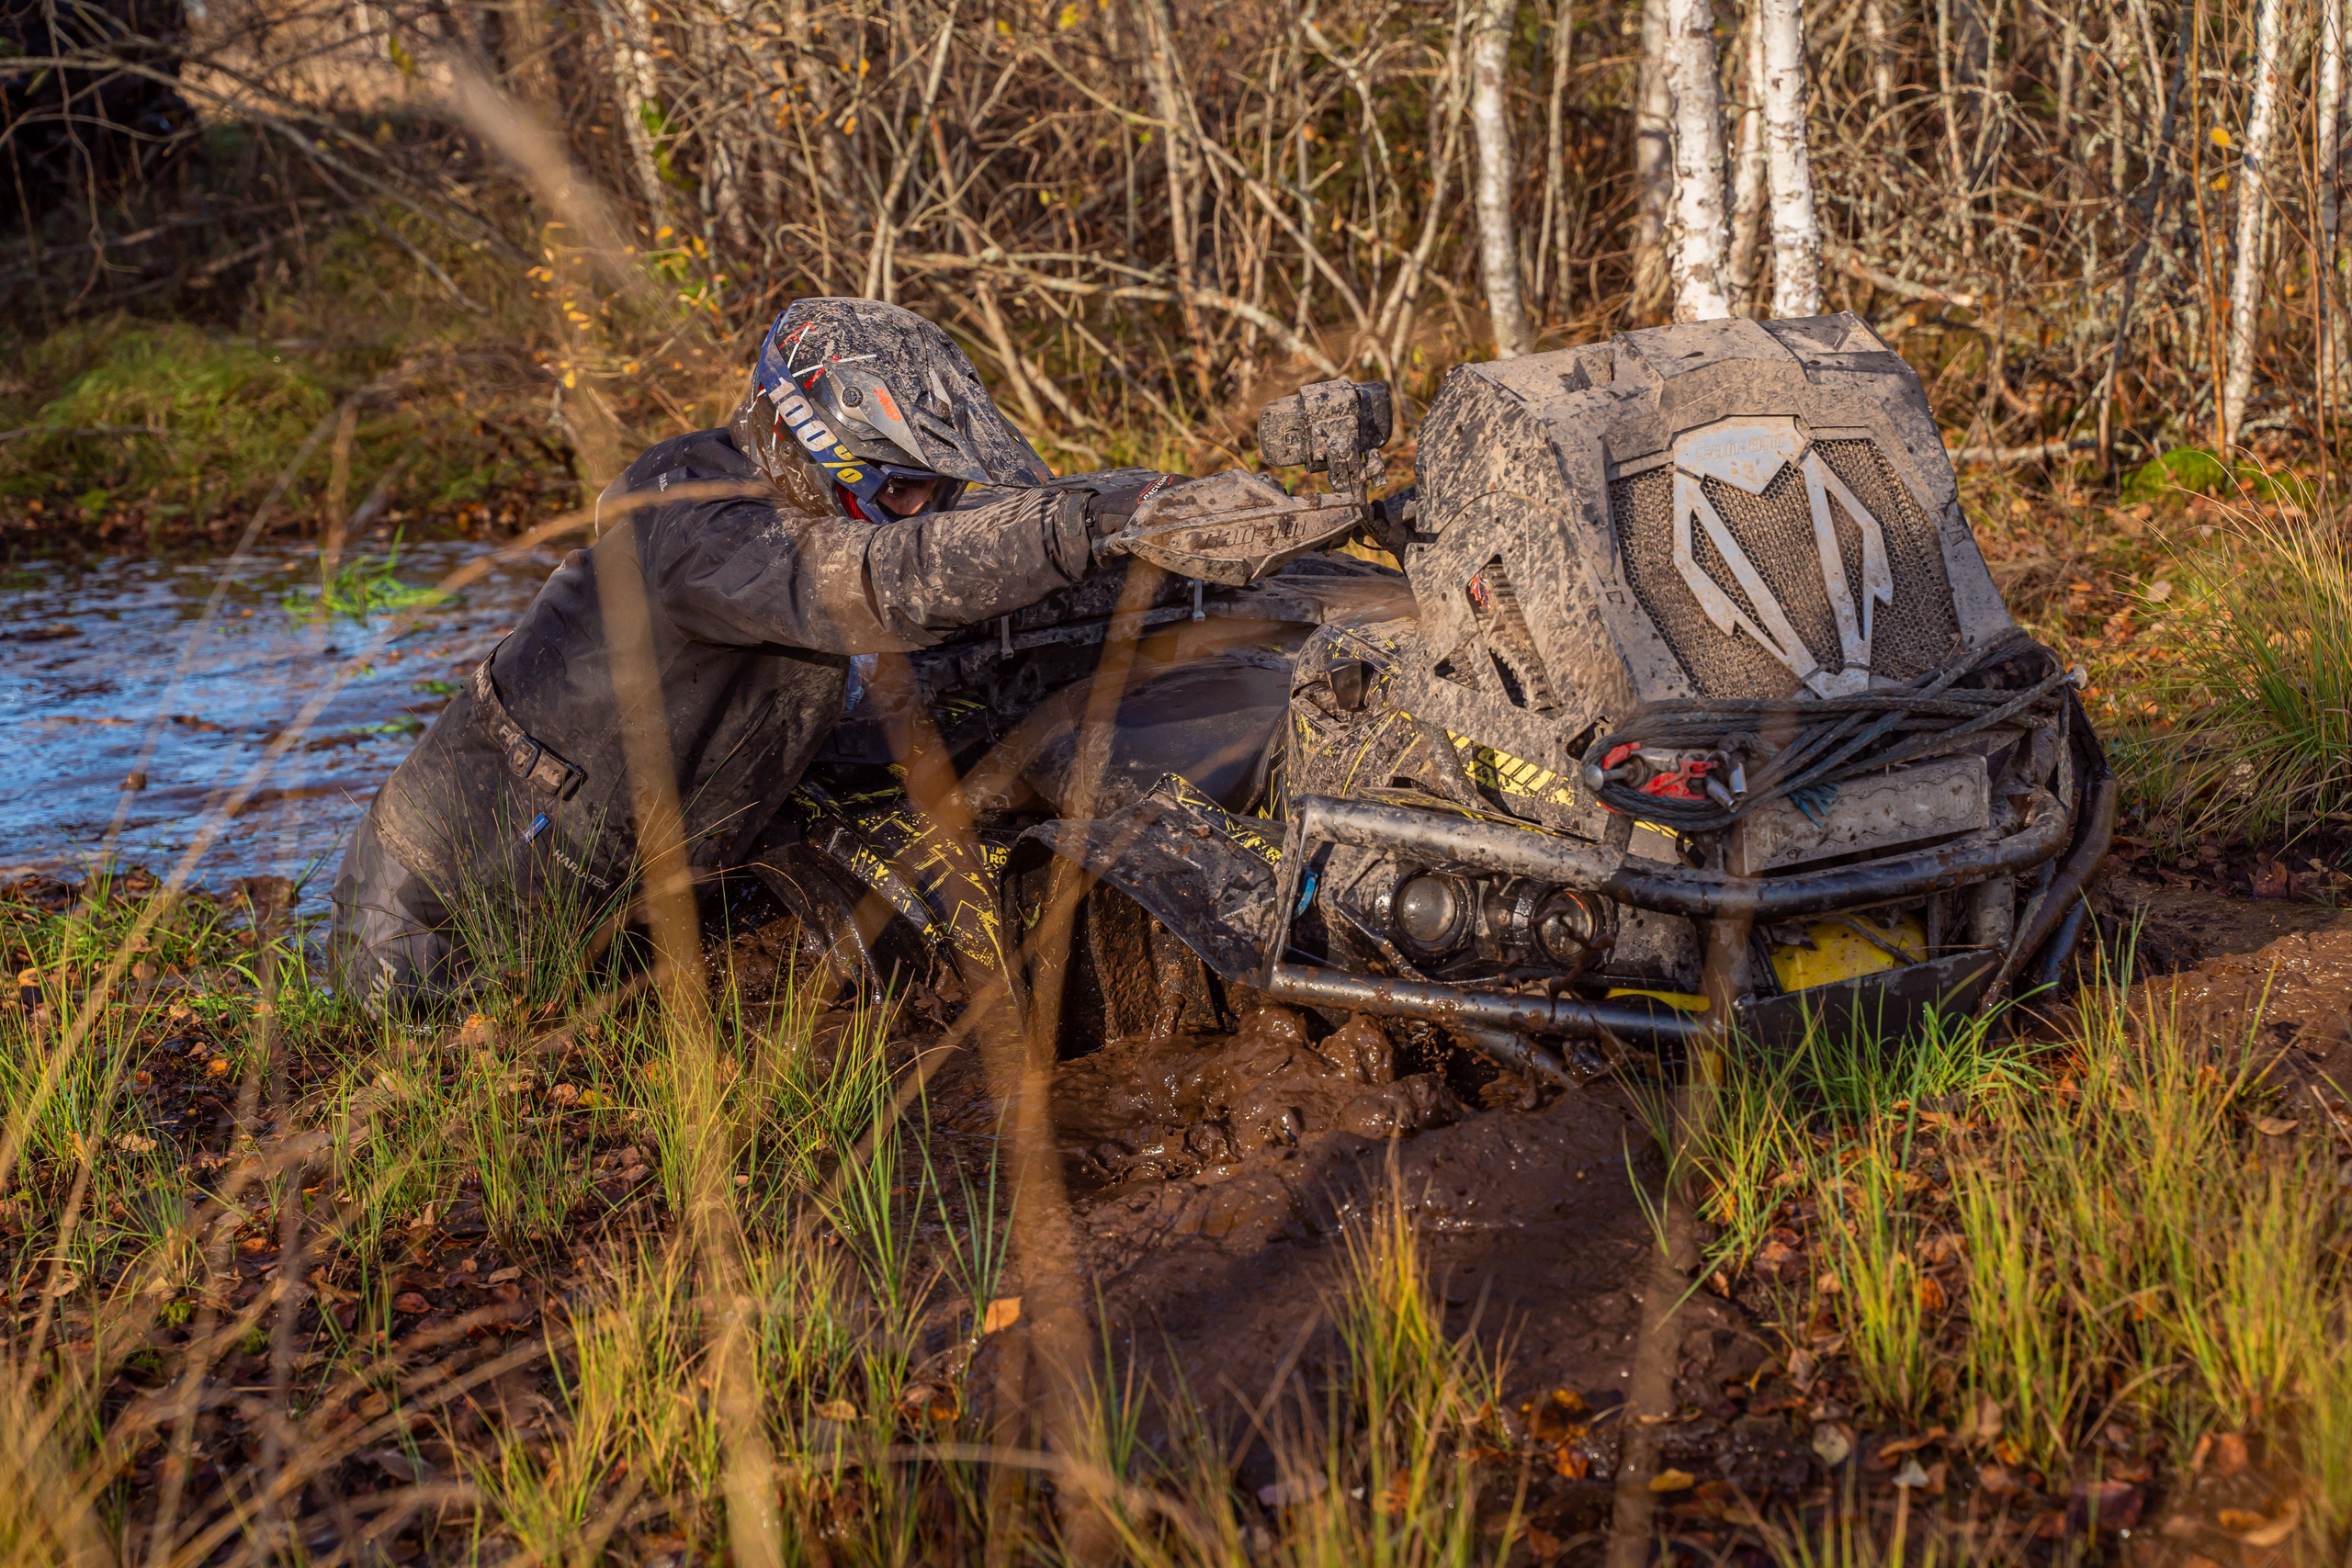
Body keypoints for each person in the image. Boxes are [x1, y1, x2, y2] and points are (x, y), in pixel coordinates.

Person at [328, 297, 1168, 1015]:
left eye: (939, 495)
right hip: (437, 932)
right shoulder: (700, 527)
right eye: (905, 491)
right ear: (819, 449)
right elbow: (880, 581)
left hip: (617, 882)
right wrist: (1079, 525)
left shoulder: (777, 512)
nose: (924, 515)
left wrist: (1148, 518)